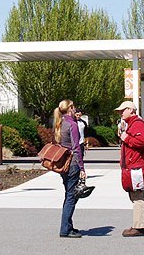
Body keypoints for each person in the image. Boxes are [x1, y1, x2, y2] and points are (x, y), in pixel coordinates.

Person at [115, 100, 144, 237]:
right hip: (133, 165)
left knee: (137, 196)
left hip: (136, 166)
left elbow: (142, 141)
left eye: (123, 110)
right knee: (135, 195)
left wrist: (126, 137)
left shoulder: (137, 124)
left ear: (131, 110)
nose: (120, 113)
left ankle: (139, 227)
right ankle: (139, 224)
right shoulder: (133, 124)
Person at [54, 100, 85, 238]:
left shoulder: (59, 123)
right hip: (72, 163)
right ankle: (65, 229)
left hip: (63, 163)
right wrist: (82, 167)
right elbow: (76, 147)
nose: (75, 109)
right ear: (70, 109)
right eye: (74, 107)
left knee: (68, 194)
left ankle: (68, 225)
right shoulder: (72, 125)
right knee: (71, 196)